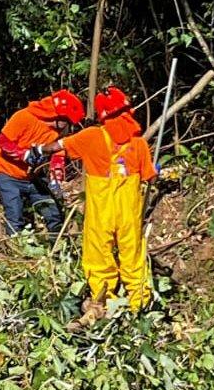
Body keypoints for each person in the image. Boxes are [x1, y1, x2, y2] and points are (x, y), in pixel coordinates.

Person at [34, 86, 157, 327]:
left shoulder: (91, 136)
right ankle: (139, 310)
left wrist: (38, 149)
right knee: (133, 257)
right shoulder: (139, 143)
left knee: (98, 258)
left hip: (101, 211)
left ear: (102, 114)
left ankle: (104, 305)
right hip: (129, 212)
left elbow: (57, 147)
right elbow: (150, 178)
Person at [0, 90, 85, 236]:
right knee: (15, 216)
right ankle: (15, 250)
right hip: (6, 173)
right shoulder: (24, 117)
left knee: (53, 213)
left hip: (32, 177)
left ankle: (57, 247)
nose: (68, 126)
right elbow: (3, 141)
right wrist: (24, 155)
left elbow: (57, 154)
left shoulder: (58, 131)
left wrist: (56, 179)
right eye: (67, 122)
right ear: (57, 116)